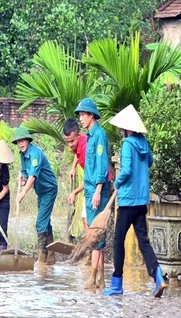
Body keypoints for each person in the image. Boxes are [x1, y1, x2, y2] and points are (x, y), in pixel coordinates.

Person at [103, 105, 166, 297]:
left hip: (128, 201)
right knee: (144, 241)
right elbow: (150, 162)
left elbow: (127, 169)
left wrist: (117, 182)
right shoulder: (143, 143)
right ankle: (157, 276)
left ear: (126, 128)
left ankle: (116, 284)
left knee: (118, 241)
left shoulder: (128, 144)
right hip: (141, 201)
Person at [74, 98, 110, 289]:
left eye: (83, 114)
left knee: (96, 235)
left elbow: (102, 165)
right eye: (79, 115)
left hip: (97, 192)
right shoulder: (90, 136)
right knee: (96, 235)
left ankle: (94, 277)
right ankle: (100, 280)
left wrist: (97, 190)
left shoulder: (99, 136)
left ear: (91, 115)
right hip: (89, 191)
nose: (81, 118)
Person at [13, 127, 58, 265]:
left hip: (49, 189)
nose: (21, 144)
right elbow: (26, 175)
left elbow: (32, 177)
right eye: (18, 141)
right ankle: (51, 255)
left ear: (28, 140)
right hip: (41, 191)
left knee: (40, 222)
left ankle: (42, 257)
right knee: (45, 222)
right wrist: (22, 180)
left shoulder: (35, 154)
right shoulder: (22, 155)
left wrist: (23, 192)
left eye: (23, 141)